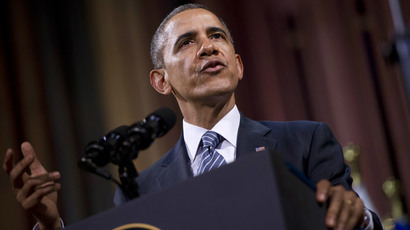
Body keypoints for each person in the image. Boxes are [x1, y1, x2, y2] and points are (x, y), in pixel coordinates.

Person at [3, 3, 382, 230]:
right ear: (161, 81)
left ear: (238, 64)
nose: (207, 47)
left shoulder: (307, 141)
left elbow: (349, 218)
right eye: (187, 42)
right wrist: (52, 226)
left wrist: (361, 219)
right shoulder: (140, 190)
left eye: (217, 36)